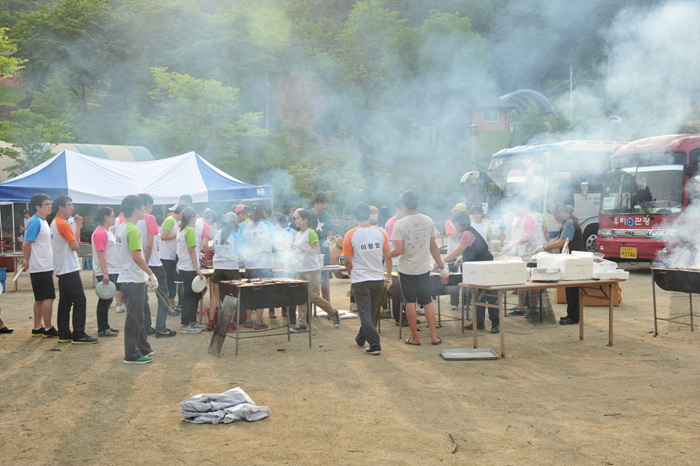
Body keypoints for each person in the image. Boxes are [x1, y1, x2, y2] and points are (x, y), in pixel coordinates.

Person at [390, 190, 447, 346]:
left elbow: (398, 250)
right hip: (423, 268)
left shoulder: (399, 224)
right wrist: (441, 266)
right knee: (427, 301)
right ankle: (434, 337)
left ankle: (415, 338)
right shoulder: (428, 220)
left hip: (406, 269)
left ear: (403, 205)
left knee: (409, 301)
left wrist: (385, 255)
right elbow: (433, 247)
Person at [343, 203, 392, 355]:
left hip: (361, 279)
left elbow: (347, 261)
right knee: (370, 312)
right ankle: (360, 338)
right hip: (377, 277)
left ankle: (375, 344)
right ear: (370, 216)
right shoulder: (380, 233)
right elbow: (388, 256)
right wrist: (388, 276)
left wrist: (351, 273)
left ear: (354, 217)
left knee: (365, 313)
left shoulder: (350, 234)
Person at [115, 195, 159, 364]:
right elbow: (136, 256)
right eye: (142, 208)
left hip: (128, 276)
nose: (144, 211)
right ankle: (131, 354)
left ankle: (144, 347)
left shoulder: (122, 227)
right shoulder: (133, 229)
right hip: (133, 278)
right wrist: (150, 273)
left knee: (138, 316)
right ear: (135, 209)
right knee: (134, 317)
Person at [50, 195, 97, 344]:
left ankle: (64, 333)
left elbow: (73, 243)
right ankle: (78, 333)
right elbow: (75, 246)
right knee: (79, 300)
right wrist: (76, 227)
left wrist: (77, 226)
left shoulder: (54, 223)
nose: (72, 208)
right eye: (69, 205)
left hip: (61, 267)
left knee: (65, 301)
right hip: (68, 267)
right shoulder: (62, 224)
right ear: (61, 207)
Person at [442, 211, 499, 333]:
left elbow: (459, 250)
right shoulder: (468, 232)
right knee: (478, 296)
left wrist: (442, 261)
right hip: (477, 268)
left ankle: (496, 324)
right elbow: (469, 249)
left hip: (485, 267)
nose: (455, 227)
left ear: (462, 223)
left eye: (456, 225)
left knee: (490, 295)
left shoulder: (468, 233)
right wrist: (461, 258)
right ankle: (479, 323)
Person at [290, 209, 340, 332]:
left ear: (305, 220)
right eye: (295, 218)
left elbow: (317, 250)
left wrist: (303, 250)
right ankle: (302, 324)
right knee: (301, 297)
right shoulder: (298, 234)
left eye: (298, 218)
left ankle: (333, 312)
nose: (295, 220)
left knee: (313, 297)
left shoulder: (310, 233)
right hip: (300, 269)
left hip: (312, 269)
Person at [538, 203, 585, 325]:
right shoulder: (567, 222)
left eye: (554, 215)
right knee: (570, 289)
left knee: (573, 289)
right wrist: (546, 245)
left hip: (575, 260)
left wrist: (544, 247)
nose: (554, 218)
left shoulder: (569, 223)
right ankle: (571, 315)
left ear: (560, 213)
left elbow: (563, 242)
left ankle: (574, 317)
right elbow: (559, 238)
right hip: (572, 260)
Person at [137, 194, 176, 339]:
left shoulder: (130, 220)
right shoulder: (149, 218)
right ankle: (161, 327)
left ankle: (147, 326)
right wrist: (146, 264)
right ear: (148, 205)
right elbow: (149, 244)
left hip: (138, 262)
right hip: (152, 262)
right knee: (163, 295)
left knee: (143, 297)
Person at [22, 194, 58, 338]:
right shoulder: (35, 222)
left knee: (40, 298)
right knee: (48, 297)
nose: (49, 206)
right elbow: (26, 244)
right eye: (46, 204)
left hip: (42, 265)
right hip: (41, 266)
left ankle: (37, 327)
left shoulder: (42, 221)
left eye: (50, 204)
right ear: (37, 207)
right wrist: (27, 261)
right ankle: (48, 327)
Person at [239, 203, 274, 330]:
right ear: (263, 213)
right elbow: (275, 241)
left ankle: (248, 320)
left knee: (250, 292)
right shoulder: (268, 225)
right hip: (264, 262)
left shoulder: (244, 227)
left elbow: (241, 244)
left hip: (250, 263)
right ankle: (258, 321)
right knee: (262, 292)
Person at [209, 212, 243, 331]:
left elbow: (213, 248)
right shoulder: (236, 236)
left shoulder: (218, 233)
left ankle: (211, 321)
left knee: (215, 295)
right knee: (232, 296)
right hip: (231, 267)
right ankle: (230, 322)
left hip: (218, 267)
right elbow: (239, 253)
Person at [91, 207, 120, 337]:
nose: (114, 218)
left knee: (108, 299)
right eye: (112, 216)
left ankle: (105, 326)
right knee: (105, 299)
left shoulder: (107, 231)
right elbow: (101, 254)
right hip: (106, 269)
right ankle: (102, 328)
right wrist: (105, 273)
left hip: (111, 268)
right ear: (106, 217)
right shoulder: (100, 232)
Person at [177, 207, 205, 333]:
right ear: (192, 218)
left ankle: (192, 322)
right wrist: (197, 269)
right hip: (189, 268)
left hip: (183, 266)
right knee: (189, 297)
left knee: (194, 295)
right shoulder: (189, 230)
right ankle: (186, 325)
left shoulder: (180, 230)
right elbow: (192, 250)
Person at [161, 204, 186, 315]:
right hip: (166, 256)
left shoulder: (177, 222)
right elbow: (163, 236)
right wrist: (178, 234)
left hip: (173, 256)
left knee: (172, 282)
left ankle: (172, 304)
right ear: (181, 212)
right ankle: (169, 305)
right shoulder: (170, 220)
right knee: (169, 281)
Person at [311, 192, 334, 302]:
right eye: (321, 204)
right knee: (312, 280)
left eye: (325, 204)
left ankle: (327, 305)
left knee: (325, 280)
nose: (323, 207)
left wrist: (328, 241)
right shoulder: (308, 215)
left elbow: (330, 234)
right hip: (311, 251)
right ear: (316, 202)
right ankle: (313, 305)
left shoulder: (327, 216)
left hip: (324, 250)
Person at [446, 202, 469, 310]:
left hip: (464, 254)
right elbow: (453, 234)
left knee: (466, 278)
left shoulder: (467, 225)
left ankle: (466, 302)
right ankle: (454, 302)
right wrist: (457, 224)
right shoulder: (449, 223)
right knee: (453, 278)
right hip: (453, 253)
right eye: (457, 211)